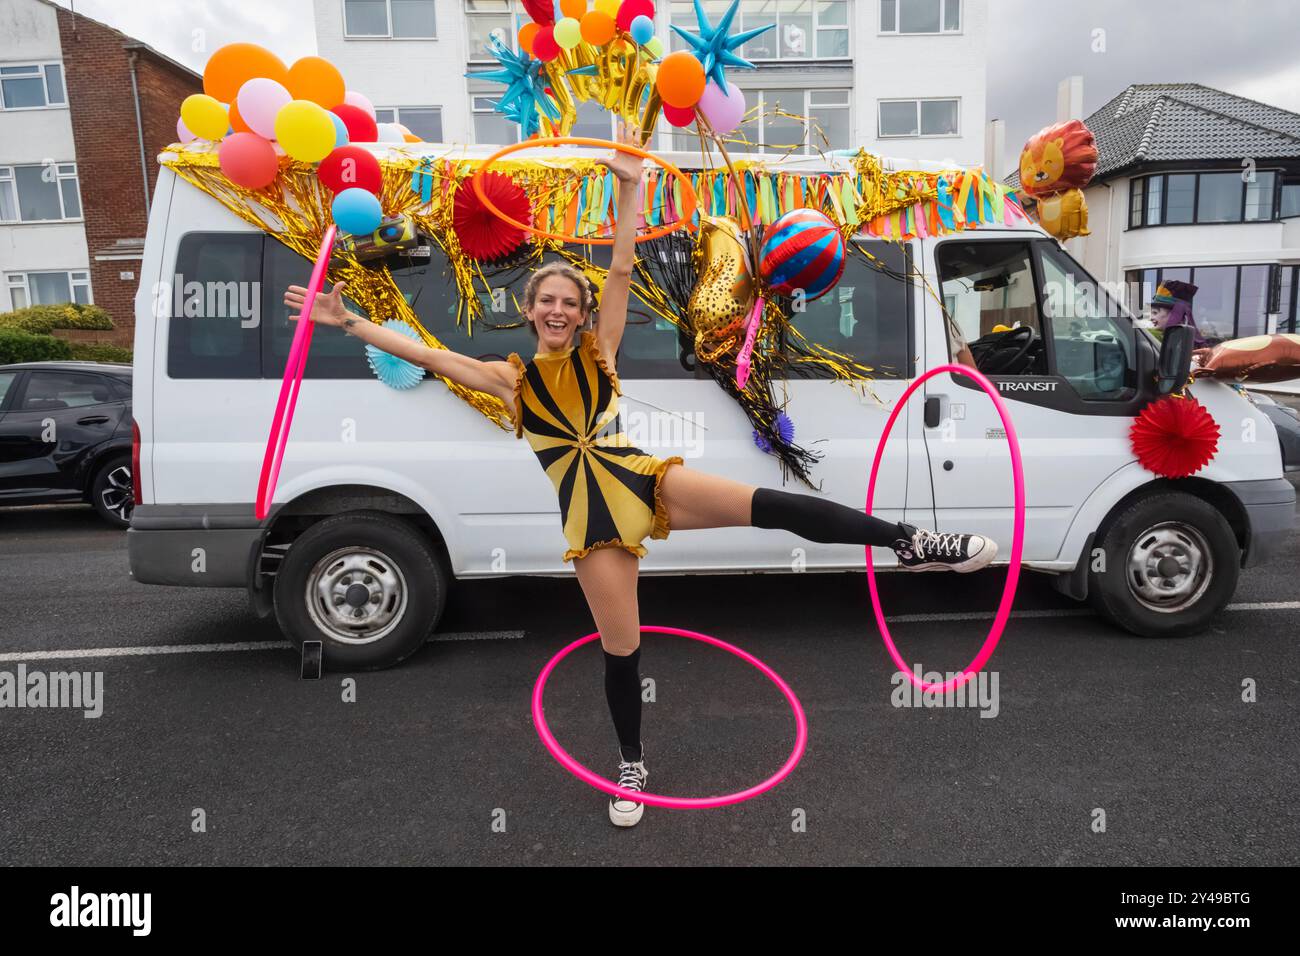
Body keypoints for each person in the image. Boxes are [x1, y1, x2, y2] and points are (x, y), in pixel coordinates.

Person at [283, 123, 999, 828]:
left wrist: (632, 190)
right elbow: (435, 358)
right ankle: (632, 764)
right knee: (622, 651)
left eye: (569, 301)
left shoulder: (600, 355)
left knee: (775, 505)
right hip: (593, 526)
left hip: (645, 480)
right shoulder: (511, 378)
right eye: (547, 302)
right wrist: (349, 324)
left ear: (581, 313)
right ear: (529, 312)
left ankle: (912, 541)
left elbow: (622, 269)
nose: (558, 309)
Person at [1149, 280, 1208, 349]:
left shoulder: (1184, 344)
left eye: (1155, 313)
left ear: (1175, 315)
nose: (1151, 318)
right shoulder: (1156, 338)